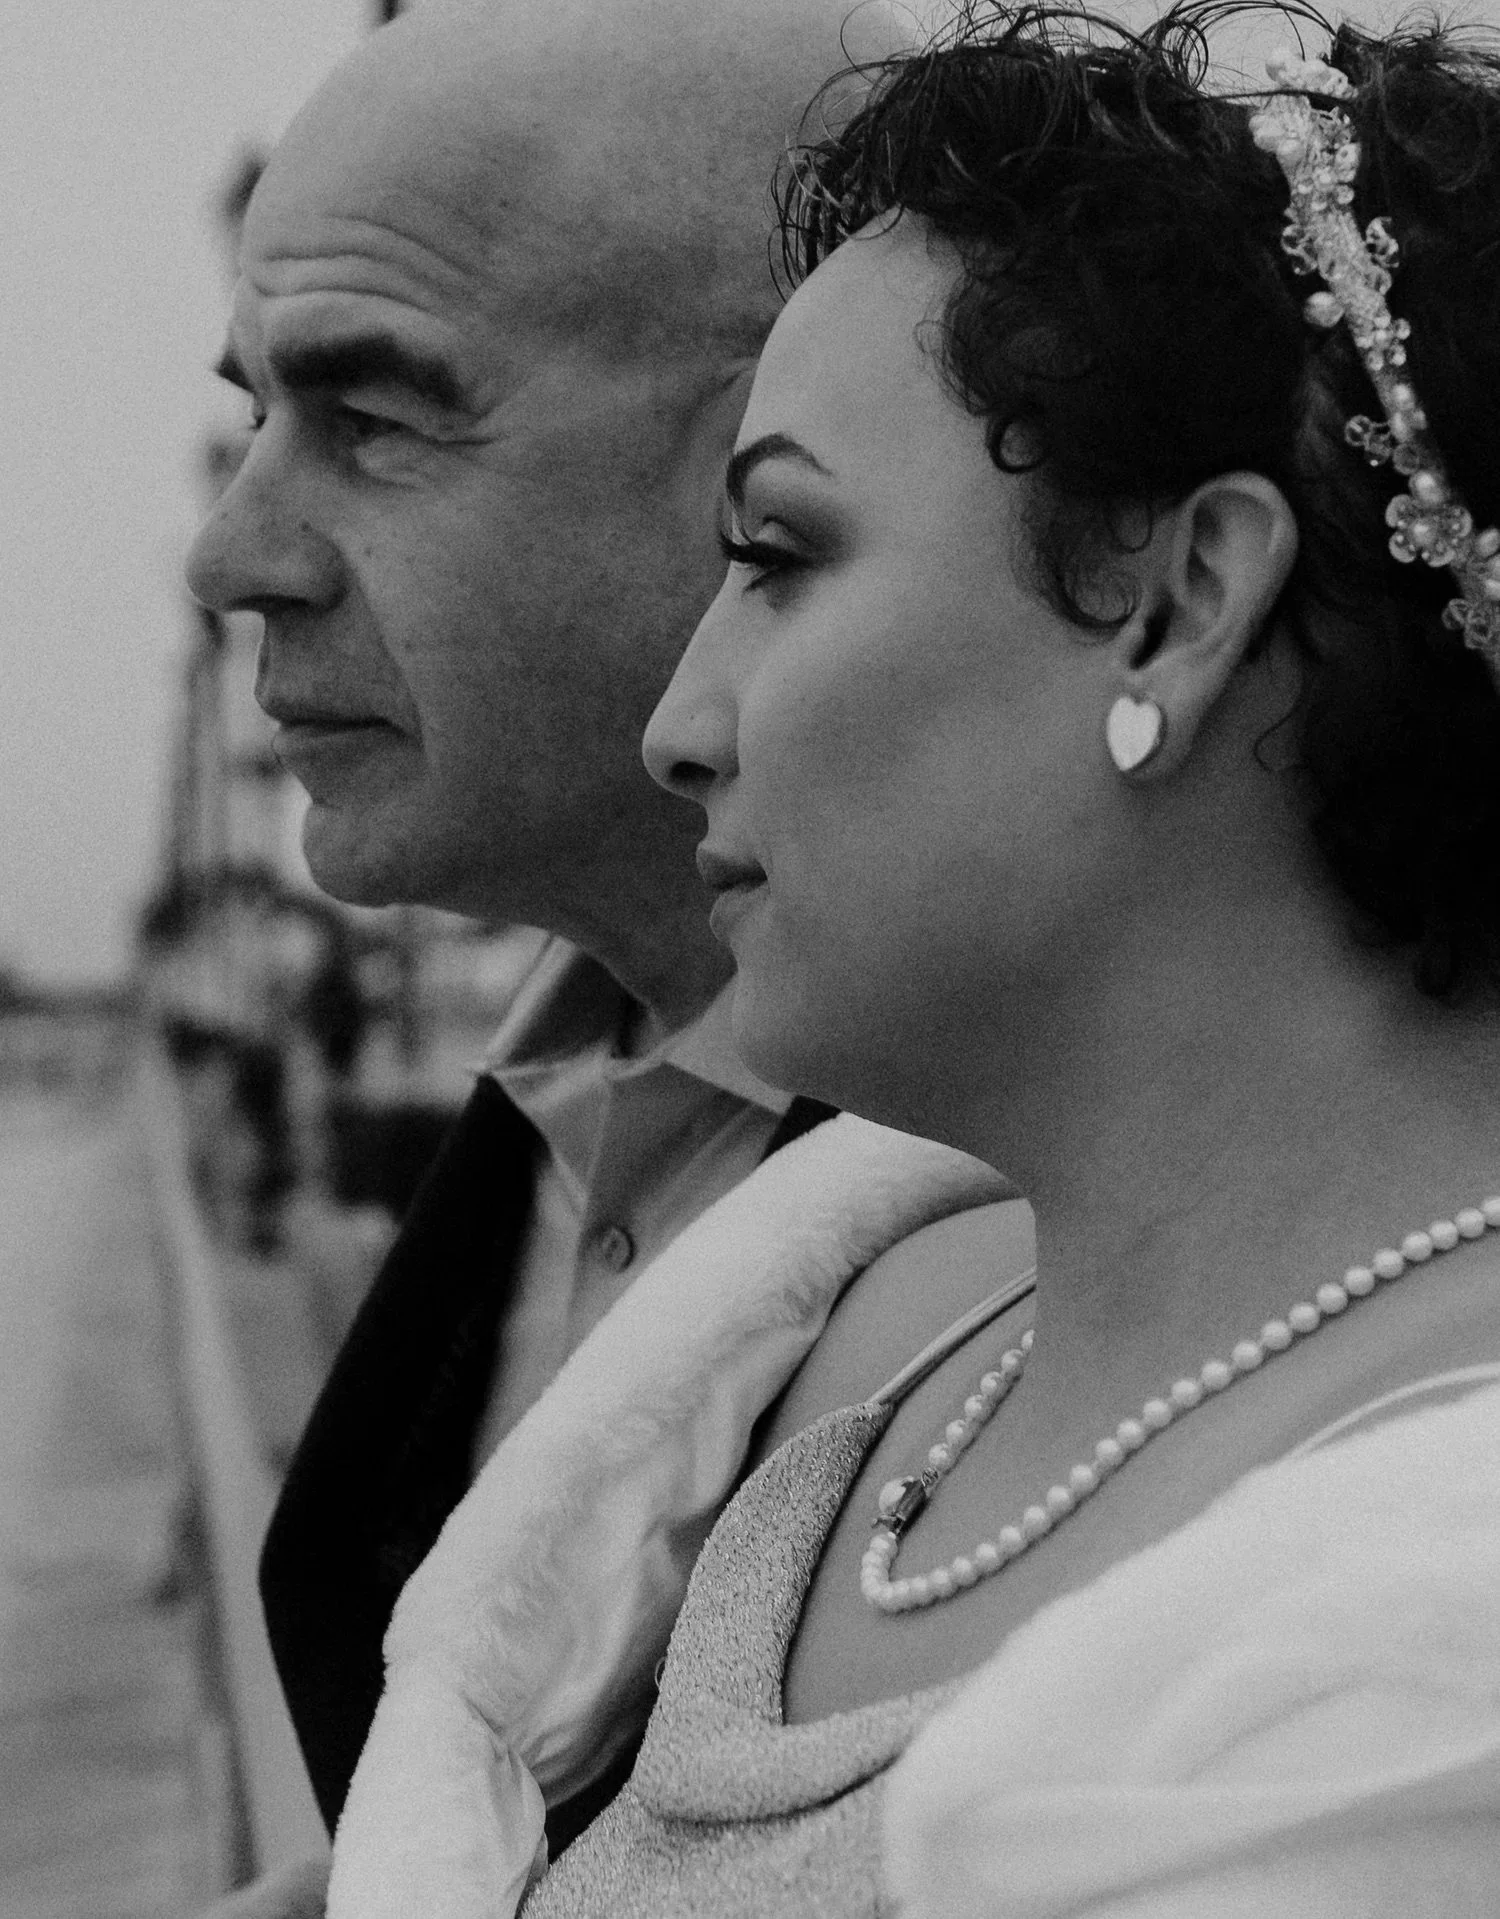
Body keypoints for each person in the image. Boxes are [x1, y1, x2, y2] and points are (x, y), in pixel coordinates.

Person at [454, 5, 1498, 1912]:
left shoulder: (1437, 1662)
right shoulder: (861, 1323)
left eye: (780, 553)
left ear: (1178, 603)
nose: (682, 720)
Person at [186, 1, 1023, 1912]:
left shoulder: (1113, 1190)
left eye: (375, 414)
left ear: (795, 432)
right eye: (253, 417)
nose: (233, 551)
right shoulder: (568, 1095)